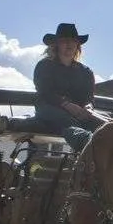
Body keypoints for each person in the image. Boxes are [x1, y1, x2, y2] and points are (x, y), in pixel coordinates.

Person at [34, 22, 99, 151]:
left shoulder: (85, 71)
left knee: (101, 123)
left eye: (72, 41)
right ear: (56, 45)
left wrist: (88, 107)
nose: (69, 44)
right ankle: (86, 143)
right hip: (48, 108)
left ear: (77, 45)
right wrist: (67, 105)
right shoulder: (44, 66)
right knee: (69, 122)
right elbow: (45, 92)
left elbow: (88, 96)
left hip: (78, 111)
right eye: (64, 41)